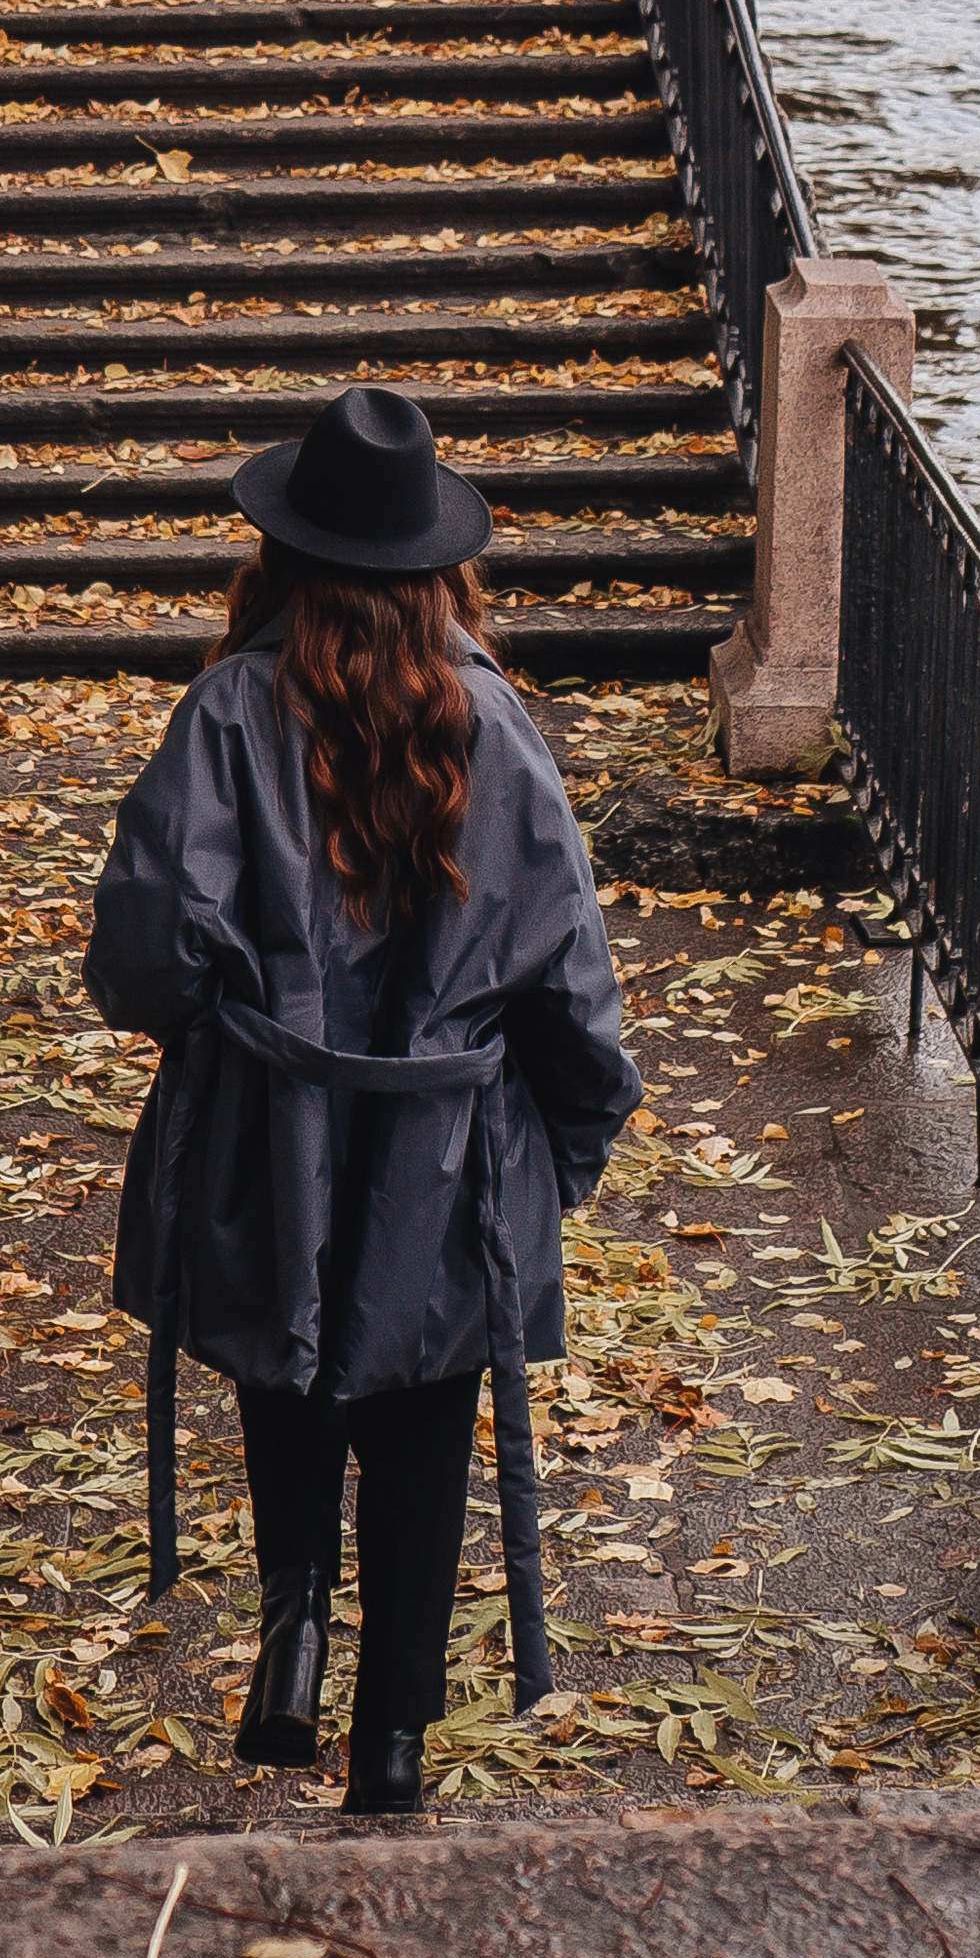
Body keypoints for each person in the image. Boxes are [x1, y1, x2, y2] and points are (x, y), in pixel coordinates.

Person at [83, 384, 641, 1817]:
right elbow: (570, 984)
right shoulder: (497, 732)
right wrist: (553, 1157)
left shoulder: (225, 714)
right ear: (437, 568)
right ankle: (390, 1746)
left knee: (288, 1366)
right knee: (420, 1428)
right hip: (449, 1156)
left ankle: (292, 1634)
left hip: (275, 1141)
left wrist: (230, 1044)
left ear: (283, 555)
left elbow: (144, 953)